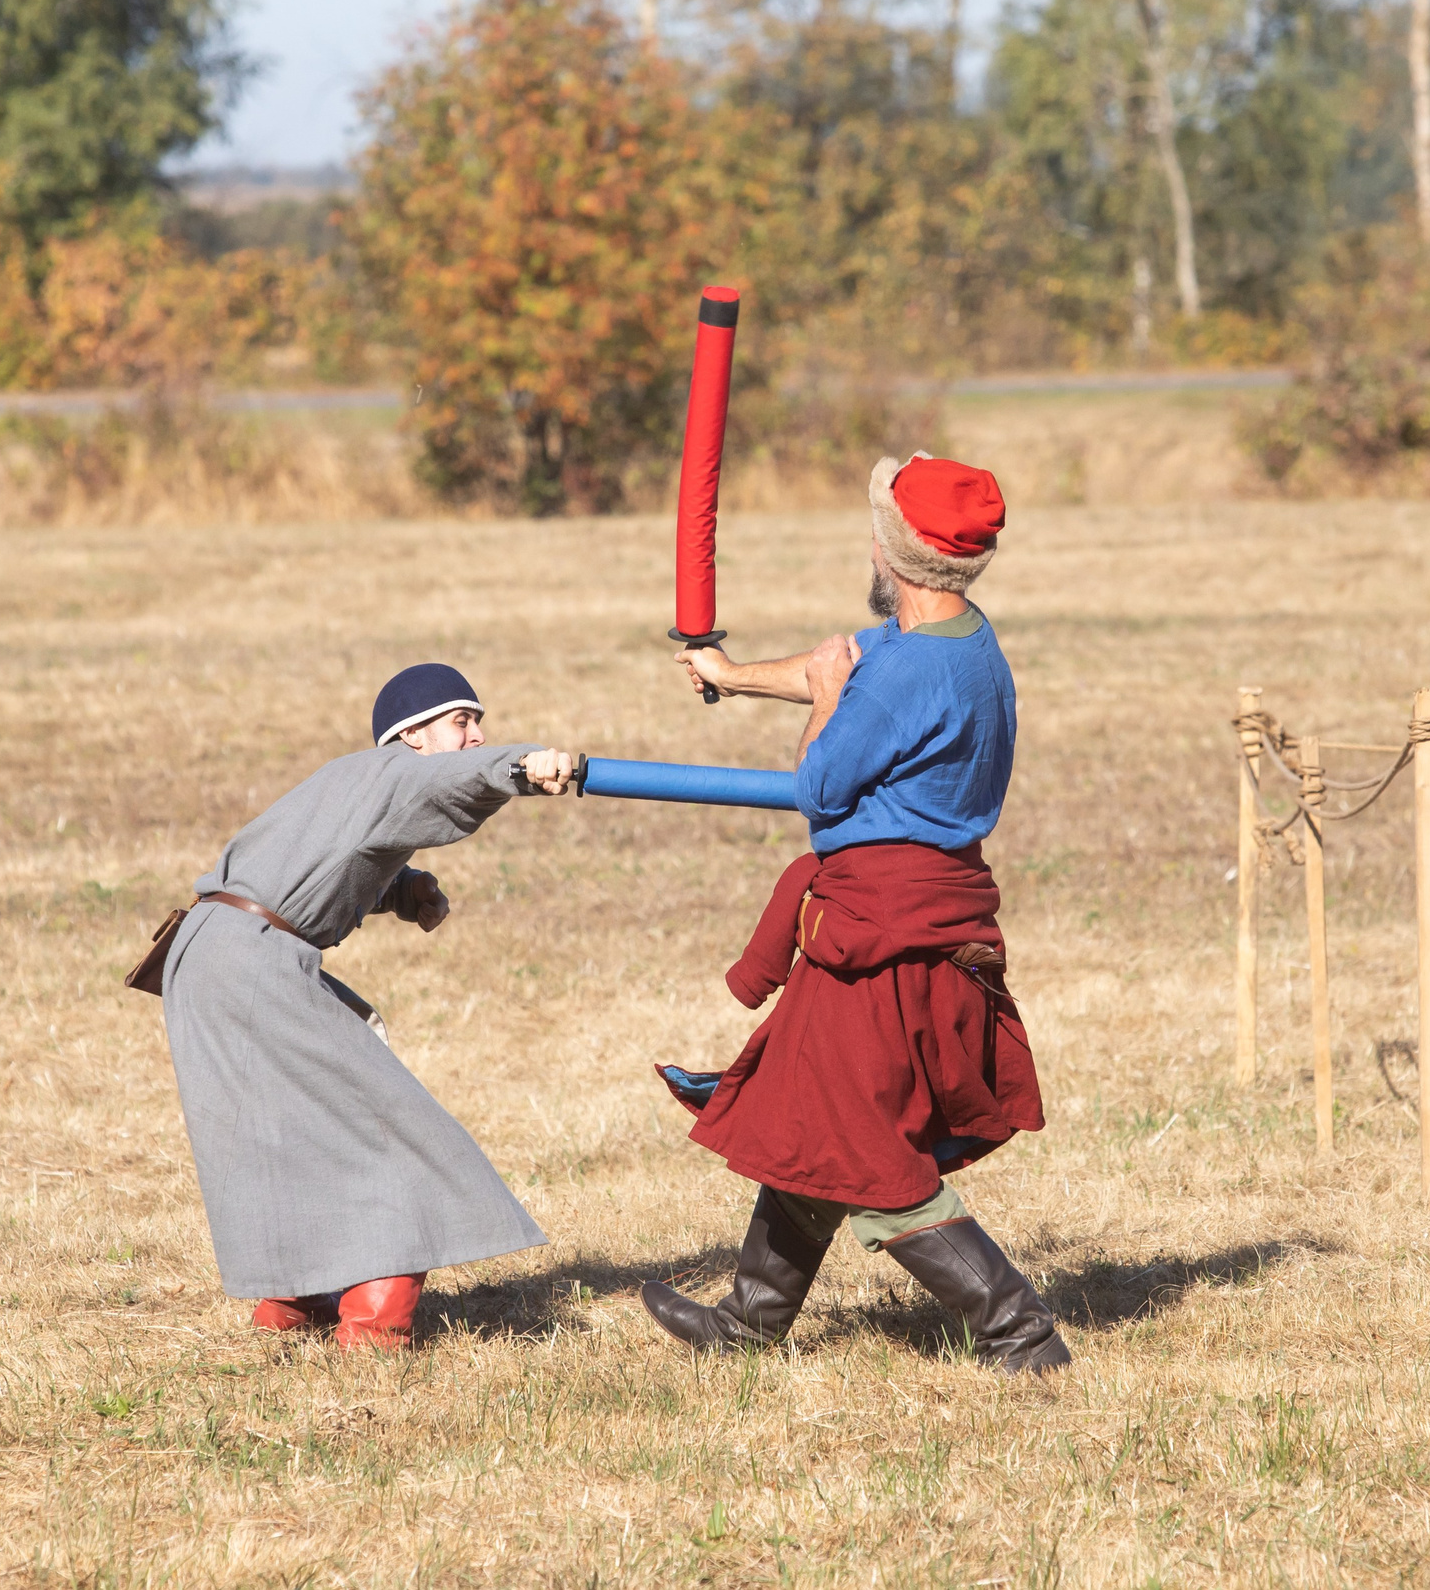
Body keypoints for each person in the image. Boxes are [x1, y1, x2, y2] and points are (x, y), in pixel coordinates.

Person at [646, 452, 1069, 1375]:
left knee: (871, 1160)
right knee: (814, 1117)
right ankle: (749, 1323)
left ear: (892, 553)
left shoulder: (899, 676)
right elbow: (838, 663)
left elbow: (822, 786)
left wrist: (830, 702)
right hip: (916, 926)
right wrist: (731, 673)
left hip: (885, 945)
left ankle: (1020, 1333)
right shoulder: (958, 640)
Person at [154, 663, 575, 1348]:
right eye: (462, 722)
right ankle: (375, 1317)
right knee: (391, 1126)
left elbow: (320, 861)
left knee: (284, 1128)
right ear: (411, 737)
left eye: (481, 724)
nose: (477, 737)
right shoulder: (397, 773)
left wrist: (403, 892)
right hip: (250, 961)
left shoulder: (351, 780)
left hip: (205, 952)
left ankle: (299, 1296)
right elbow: (454, 779)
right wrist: (523, 766)